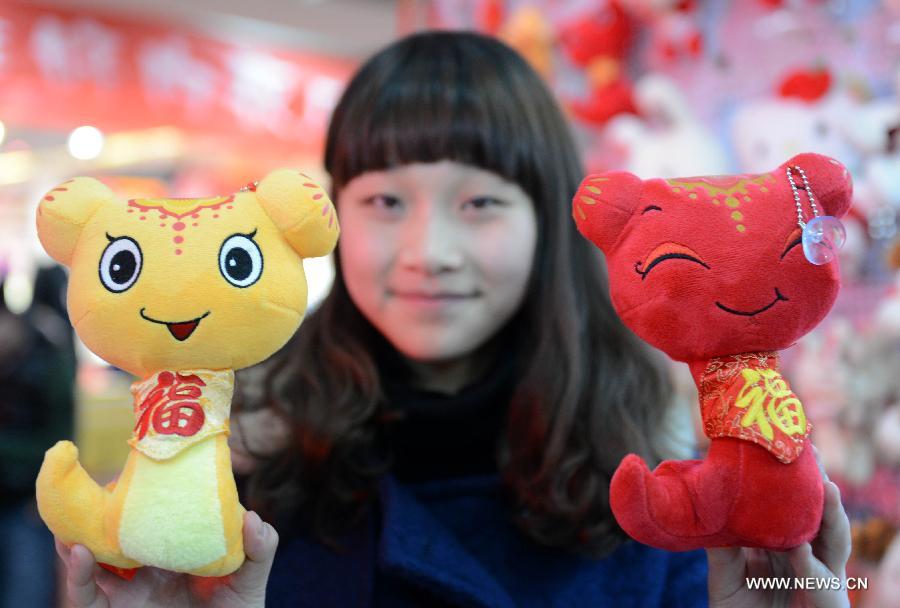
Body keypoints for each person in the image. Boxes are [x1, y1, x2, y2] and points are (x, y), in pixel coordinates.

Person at [57, 31, 851, 607]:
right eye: (384, 202)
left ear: (550, 221)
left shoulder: (670, 464)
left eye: (479, 203)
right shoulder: (237, 456)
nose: (427, 251)